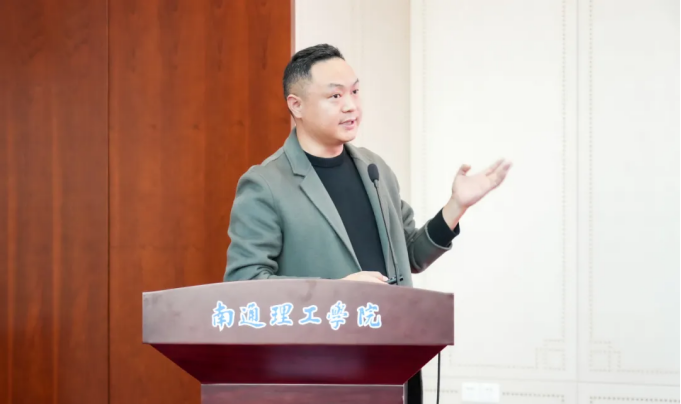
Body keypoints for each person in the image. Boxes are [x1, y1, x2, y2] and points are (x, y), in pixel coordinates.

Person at [223, 44, 511, 404]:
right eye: (335, 96)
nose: (351, 106)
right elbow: (244, 286)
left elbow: (410, 254)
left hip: (396, 359)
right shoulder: (266, 183)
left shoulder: (375, 169)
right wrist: (335, 293)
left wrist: (456, 206)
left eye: (355, 91)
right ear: (296, 105)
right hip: (322, 374)